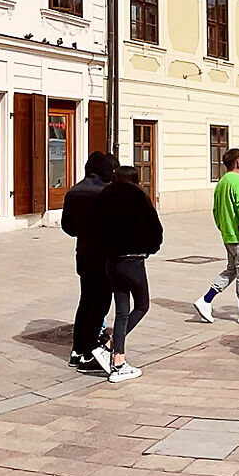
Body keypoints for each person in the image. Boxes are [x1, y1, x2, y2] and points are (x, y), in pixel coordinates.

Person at [93, 164, 162, 383]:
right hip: (133, 259)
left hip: (112, 261)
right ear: (135, 179)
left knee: (122, 310)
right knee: (142, 305)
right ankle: (117, 356)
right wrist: (150, 249)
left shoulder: (104, 196)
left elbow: (96, 229)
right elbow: (155, 230)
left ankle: (113, 351)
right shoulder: (139, 197)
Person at [195, 147, 239, 326]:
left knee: (233, 270)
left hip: (229, 235)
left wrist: (223, 228)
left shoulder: (221, 183)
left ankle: (206, 300)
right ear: (238, 162)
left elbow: (216, 211)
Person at [61, 151, 118, 371]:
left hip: (84, 255)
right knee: (100, 304)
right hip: (104, 256)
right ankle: (89, 351)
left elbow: (68, 227)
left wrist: (83, 233)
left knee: (85, 302)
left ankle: (77, 350)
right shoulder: (106, 192)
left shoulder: (73, 192)